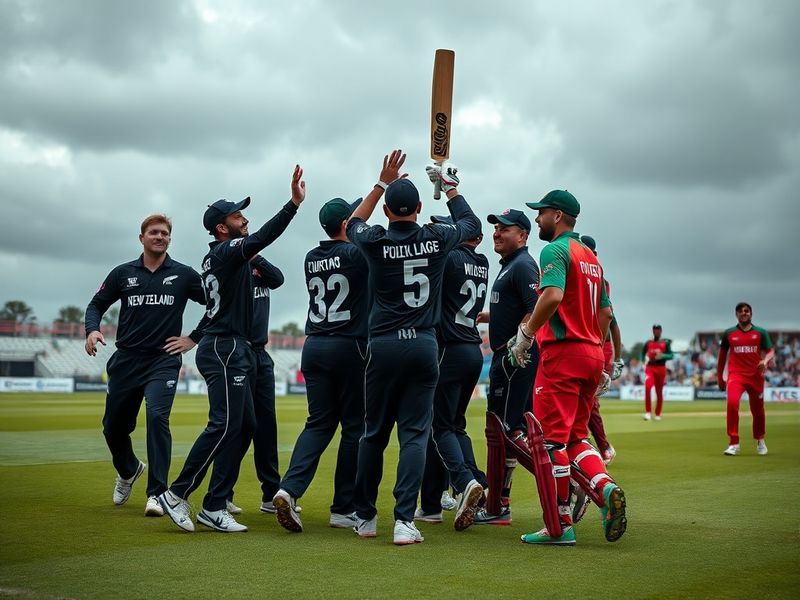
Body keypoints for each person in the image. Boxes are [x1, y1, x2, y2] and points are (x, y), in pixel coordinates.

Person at [346, 151, 483, 545]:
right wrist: (450, 186)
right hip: (424, 345)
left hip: (383, 346)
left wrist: (381, 182)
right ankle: (404, 521)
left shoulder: (373, 239)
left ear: (387, 211)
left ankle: (366, 517)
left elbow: (354, 221)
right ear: (421, 208)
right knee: (414, 435)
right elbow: (470, 224)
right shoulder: (437, 238)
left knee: (372, 435)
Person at [158, 165, 305, 533]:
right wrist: (292, 205)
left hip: (231, 346)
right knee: (224, 425)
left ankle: (214, 504)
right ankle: (176, 494)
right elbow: (266, 236)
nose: (245, 218)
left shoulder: (221, 255)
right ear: (222, 227)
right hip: (225, 347)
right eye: (238, 215)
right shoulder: (225, 253)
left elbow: (271, 275)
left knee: (240, 427)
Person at [511, 189, 626, 546]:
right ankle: (605, 488)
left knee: (551, 441)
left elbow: (553, 295)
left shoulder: (555, 250)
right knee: (577, 437)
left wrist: (527, 334)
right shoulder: (591, 256)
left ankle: (559, 525)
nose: (537, 219)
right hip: (592, 353)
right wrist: (600, 354)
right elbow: (606, 312)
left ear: (557, 215)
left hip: (563, 354)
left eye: (541, 213)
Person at [84, 214, 206, 517]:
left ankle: (157, 493)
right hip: (126, 360)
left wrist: (194, 338)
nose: (160, 236)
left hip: (163, 361)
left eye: (165, 233)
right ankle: (128, 470)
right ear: (142, 238)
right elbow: (96, 304)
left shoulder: (184, 275)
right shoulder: (122, 274)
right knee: (113, 428)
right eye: (154, 232)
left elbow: (216, 303)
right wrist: (92, 329)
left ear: (169, 239)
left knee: (156, 418)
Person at [272, 197, 369, 533]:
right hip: (350, 344)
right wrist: (382, 186)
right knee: (355, 428)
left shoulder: (311, 256)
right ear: (346, 224)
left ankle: (288, 489)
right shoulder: (356, 254)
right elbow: (360, 237)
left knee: (318, 424)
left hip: (313, 345)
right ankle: (343, 508)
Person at [415, 212, 489, 525]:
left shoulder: (448, 259)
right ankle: (432, 503)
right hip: (472, 348)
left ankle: (466, 483)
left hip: (448, 349)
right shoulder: (482, 262)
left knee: (440, 427)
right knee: (452, 427)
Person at [473, 208, 539, 525]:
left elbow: (535, 307)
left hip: (514, 357)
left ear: (523, 235)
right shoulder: (510, 265)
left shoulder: (523, 265)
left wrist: (519, 341)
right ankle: (500, 502)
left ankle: (559, 483)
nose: (497, 233)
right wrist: (491, 316)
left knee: (503, 432)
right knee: (511, 431)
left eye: (505, 229)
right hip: (507, 355)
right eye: (496, 228)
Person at [225, 252, 286, 517]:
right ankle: (222, 493)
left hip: (261, 353)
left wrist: (256, 257)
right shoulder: (227, 263)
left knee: (266, 425)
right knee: (240, 425)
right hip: (238, 351)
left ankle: (271, 494)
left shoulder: (257, 265)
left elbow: (278, 279)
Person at [579, 235, 624, 464]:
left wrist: (617, 357)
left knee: (589, 398)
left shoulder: (599, 278)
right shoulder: (583, 271)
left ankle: (602, 447)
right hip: (585, 342)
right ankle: (585, 443)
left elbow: (611, 321)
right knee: (584, 397)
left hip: (598, 344)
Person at [717, 302, 774, 456]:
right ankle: (734, 443)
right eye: (741, 311)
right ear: (736, 314)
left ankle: (760, 440)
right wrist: (720, 378)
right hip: (736, 375)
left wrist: (765, 360)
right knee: (732, 403)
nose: (744, 313)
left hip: (756, 376)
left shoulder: (760, 332)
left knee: (757, 411)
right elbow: (722, 357)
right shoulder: (728, 333)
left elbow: (770, 351)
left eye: (747, 311)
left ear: (751, 313)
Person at [642, 324, 673, 420]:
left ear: (661, 331)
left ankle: (658, 414)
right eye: (654, 330)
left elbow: (671, 355)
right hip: (650, 367)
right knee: (648, 387)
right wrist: (643, 362)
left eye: (658, 330)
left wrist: (663, 356)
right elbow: (642, 354)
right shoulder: (648, 343)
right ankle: (648, 412)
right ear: (652, 331)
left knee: (659, 391)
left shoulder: (665, 343)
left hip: (661, 368)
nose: (656, 332)